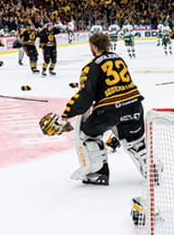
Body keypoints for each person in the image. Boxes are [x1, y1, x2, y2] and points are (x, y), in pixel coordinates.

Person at [47, 32, 146, 186]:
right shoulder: (119, 59)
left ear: (93, 46)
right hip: (134, 105)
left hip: (110, 109)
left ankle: (98, 173)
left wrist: (67, 114)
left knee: (88, 134)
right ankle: (151, 168)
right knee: (135, 140)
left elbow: (86, 95)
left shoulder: (92, 66)